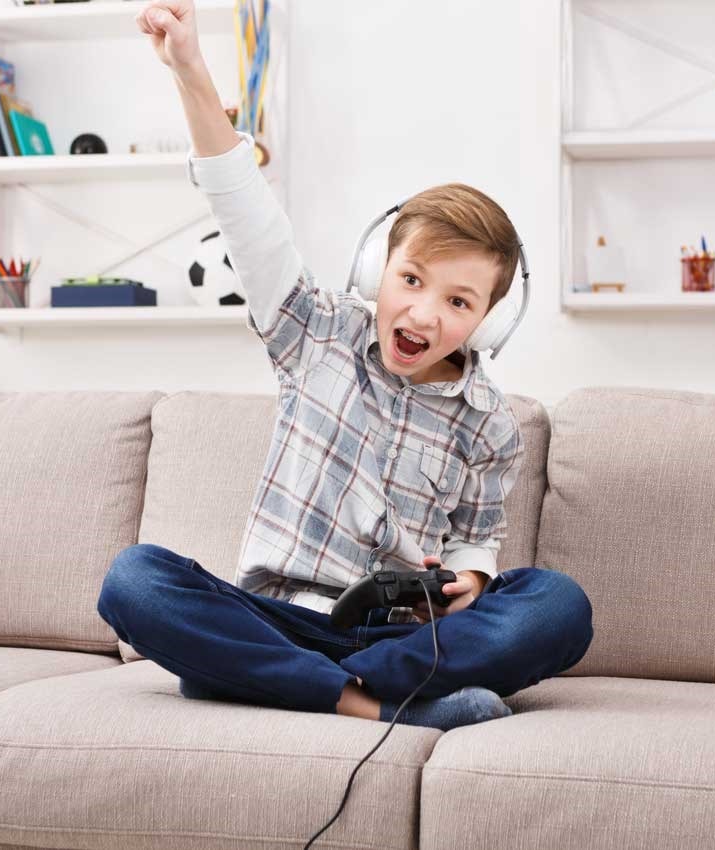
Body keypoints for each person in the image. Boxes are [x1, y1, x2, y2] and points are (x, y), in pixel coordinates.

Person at [96, 0, 593, 732]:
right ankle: (372, 703)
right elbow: (247, 215)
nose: (426, 314)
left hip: (399, 634)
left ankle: (270, 683)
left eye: (458, 301)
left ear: (489, 317)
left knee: (558, 605)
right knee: (134, 580)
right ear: (379, 267)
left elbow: (475, 537)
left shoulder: (491, 423)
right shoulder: (315, 333)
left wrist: (473, 576)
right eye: (414, 281)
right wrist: (191, 72)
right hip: (276, 615)